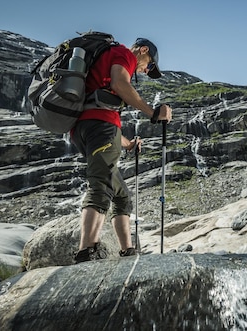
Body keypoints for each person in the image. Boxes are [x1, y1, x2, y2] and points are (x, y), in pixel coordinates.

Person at [72, 37, 172, 263]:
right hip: (99, 125)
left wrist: (128, 144)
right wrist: (153, 113)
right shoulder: (124, 54)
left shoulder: (108, 60)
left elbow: (104, 118)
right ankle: (85, 252)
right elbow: (119, 84)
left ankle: (128, 250)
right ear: (143, 50)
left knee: (121, 195)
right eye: (149, 65)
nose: (147, 71)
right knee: (101, 185)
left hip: (90, 127)